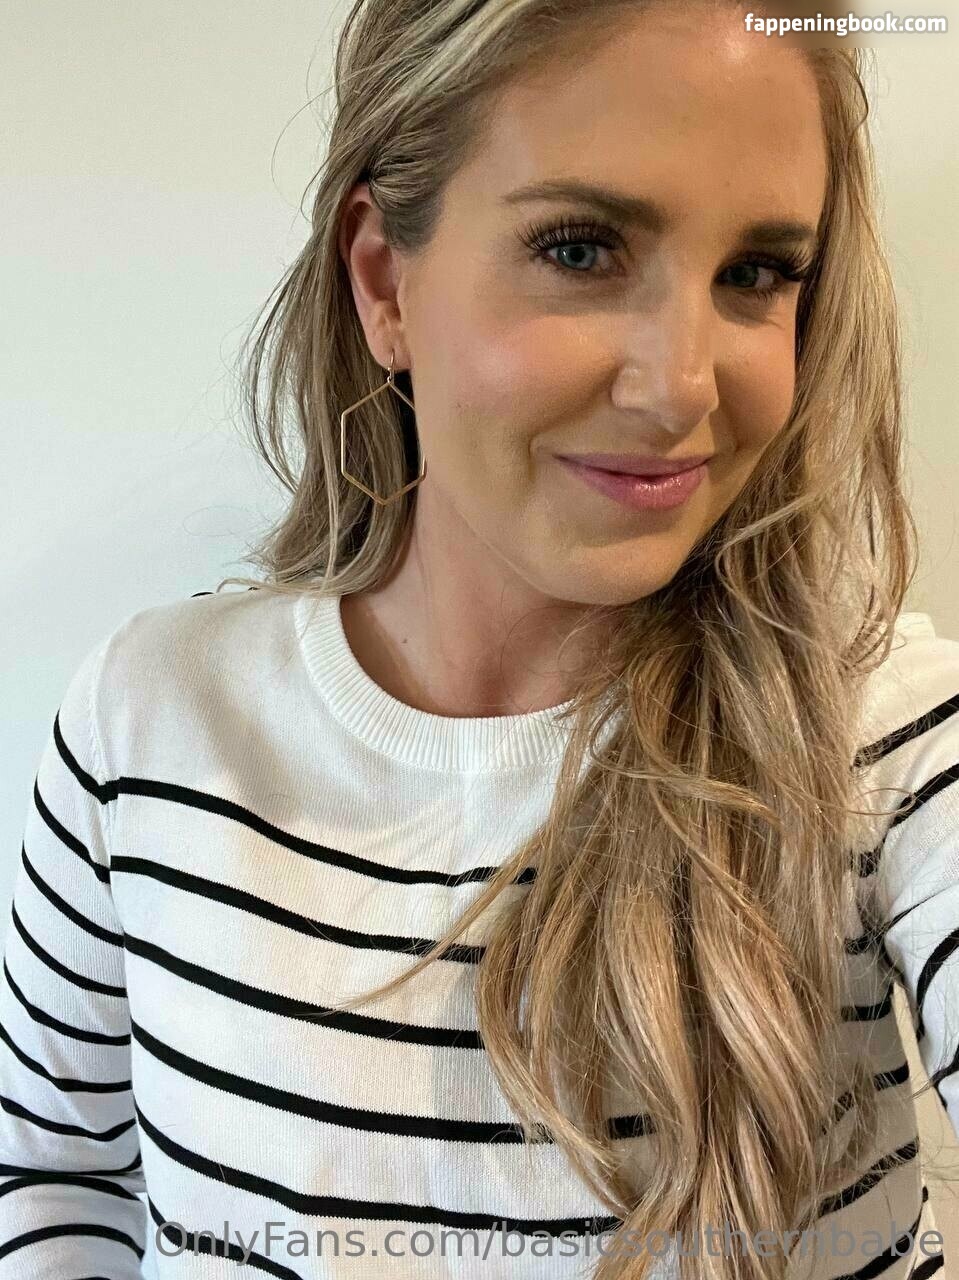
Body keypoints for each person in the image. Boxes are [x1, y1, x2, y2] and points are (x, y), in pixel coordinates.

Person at [2, 1, 957, 1277]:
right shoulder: (152, 719)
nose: (681, 385)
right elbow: (56, 1167)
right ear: (382, 282)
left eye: (755, 273)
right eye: (579, 249)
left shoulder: (879, 733)